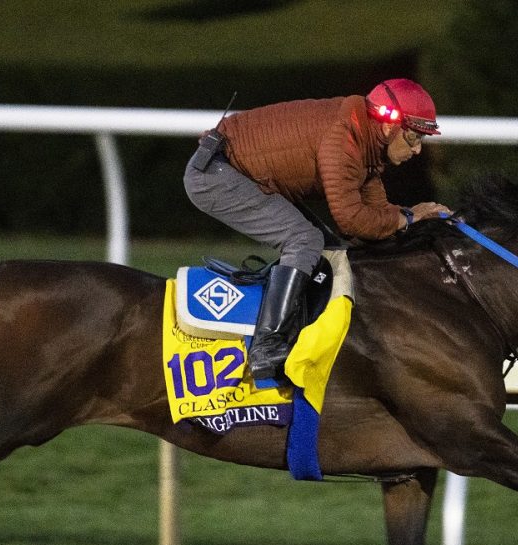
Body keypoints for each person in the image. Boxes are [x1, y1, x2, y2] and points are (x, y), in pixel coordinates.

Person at [184, 78, 450, 381]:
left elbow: (374, 218)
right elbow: (351, 219)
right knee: (304, 240)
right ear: (390, 126)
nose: (417, 150)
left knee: (330, 248)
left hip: (237, 170)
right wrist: (408, 218)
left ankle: (311, 332)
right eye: (415, 138)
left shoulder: (365, 139)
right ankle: (266, 348)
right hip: (216, 177)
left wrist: (411, 218)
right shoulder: (345, 138)